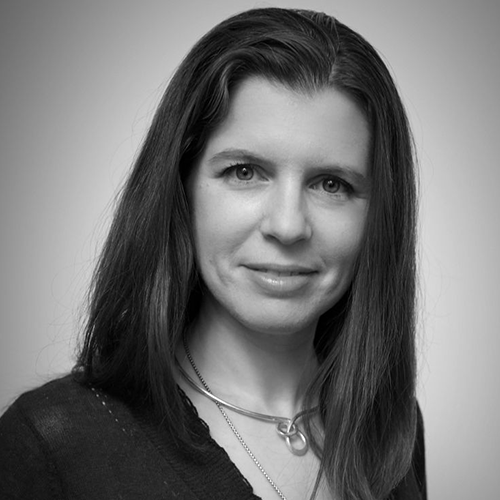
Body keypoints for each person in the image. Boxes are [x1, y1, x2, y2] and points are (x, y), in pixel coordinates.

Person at [0, 7, 426, 500]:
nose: (288, 225)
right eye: (245, 172)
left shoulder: (392, 427)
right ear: (181, 190)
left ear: (379, 217)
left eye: (331, 184)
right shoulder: (51, 446)